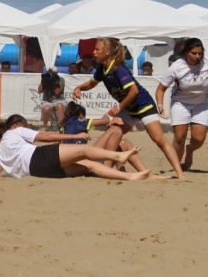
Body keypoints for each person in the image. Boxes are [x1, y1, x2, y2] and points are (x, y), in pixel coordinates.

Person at [72, 37, 185, 179]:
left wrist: (119, 107)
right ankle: (112, 169)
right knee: (114, 132)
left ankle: (180, 174)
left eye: (97, 49)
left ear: (107, 52)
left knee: (159, 140)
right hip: (129, 109)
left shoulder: (119, 68)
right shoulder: (103, 68)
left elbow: (134, 91)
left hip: (143, 106)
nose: (93, 52)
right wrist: (79, 88)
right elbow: (91, 83)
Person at [0, 114, 149, 180]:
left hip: (39, 172)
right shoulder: (16, 130)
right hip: (38, 157)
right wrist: (75, 136)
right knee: (84, 150)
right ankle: (118, 156)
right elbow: (46, 137)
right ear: (16, 125)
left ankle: (130, 177)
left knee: (90, 166)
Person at [155, 38, 208, 171]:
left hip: (202, 103)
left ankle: (190, 150)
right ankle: (177, 167)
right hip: (180, 103)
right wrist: (160, 107)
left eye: (200, 53)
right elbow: (160, 89)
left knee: (198, 138)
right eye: (194, 53)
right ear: (186, 53)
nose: (197, 56)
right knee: (179, 137)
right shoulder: (176, 67)